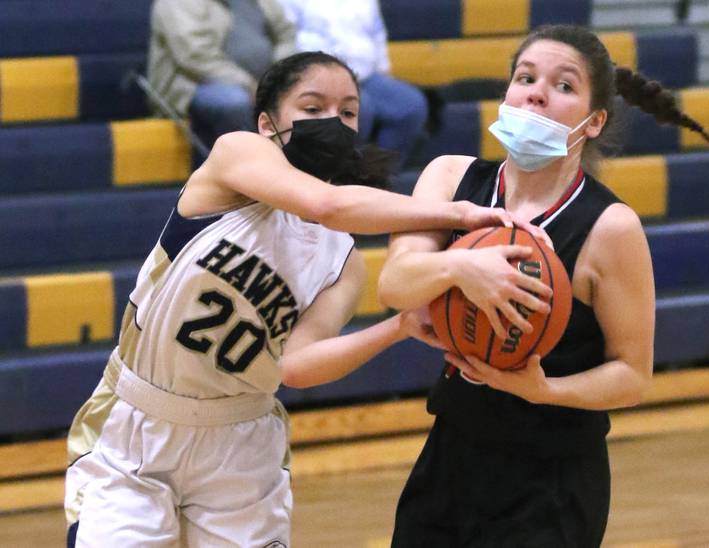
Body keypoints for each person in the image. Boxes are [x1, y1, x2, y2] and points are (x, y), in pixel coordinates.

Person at [64, 51, 538, 547]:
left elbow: (298, 366)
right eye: (313, 108)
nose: (333, 122)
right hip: (135, 422)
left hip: (240, 443)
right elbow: (326, 203)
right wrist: (455, 213)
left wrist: (397, 328)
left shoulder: (343, 261)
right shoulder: (235, 155)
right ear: (268, 123)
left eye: (348, 111)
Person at [379, 24, 709, 547]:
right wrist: (462, 269)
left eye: (564, 85)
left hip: (551, 483)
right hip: (450, 458)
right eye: (525, 77)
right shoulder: (451, 179)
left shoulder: (610, 227)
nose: (537, 90)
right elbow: (395, 285)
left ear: (593, 121)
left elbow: (632, 374)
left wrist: (545, 390)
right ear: (507, 95)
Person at [280, 0, 428, 169]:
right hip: (318, 78)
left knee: (410, 105)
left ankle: (381, 173)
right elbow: (285, 38)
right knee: (360, 108)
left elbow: (377, 33)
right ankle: (342, 176)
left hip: (367, 75)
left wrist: (384, 70)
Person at [147, 0, 297, 150]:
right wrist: (248, 84)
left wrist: (277, 75)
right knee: (234, 102)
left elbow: (286, 34)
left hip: (263, 80)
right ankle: (242, 166)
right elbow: (195, 56)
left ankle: (291, 166)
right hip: (194, 84)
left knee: (308, 94)